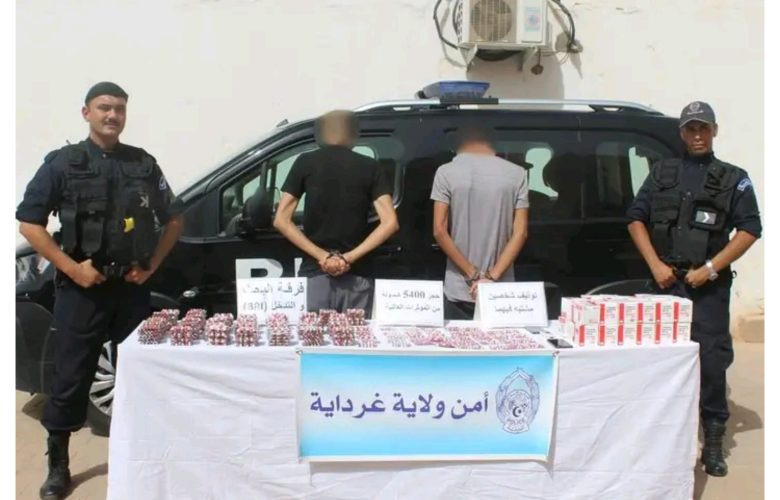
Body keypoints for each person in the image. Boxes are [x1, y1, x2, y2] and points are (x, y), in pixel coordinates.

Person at [16, 82, 184, 500]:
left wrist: (151, 266)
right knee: (69, 377)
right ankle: (58, 465)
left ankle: (143, 456)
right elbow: (30, 224)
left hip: (130, 290)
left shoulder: (143, 164)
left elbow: (174, 219)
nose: (113, 115)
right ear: (86, 113)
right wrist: (72, 268)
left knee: (140, 374)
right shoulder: (63, 164)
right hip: (82, 292)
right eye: (104, 107)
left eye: (120, 109)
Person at [626, 101, 761, 477]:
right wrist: (655, 264)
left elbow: (750, 229)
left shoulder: (733, 178)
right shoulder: (661, 172)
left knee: (712, 363)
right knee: (660, 360)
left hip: (707, 289)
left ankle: (713, 442)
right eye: (690, 128)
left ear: (714, 131)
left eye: (703, 128)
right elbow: (635, 219)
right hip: (665, 283)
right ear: (682, 133)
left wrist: (711, 268)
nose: (697, 135)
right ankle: (660, 438)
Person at [273, 110, 399, 313]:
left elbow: (281, 219)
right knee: (354, 332)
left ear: (321, 134)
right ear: (353, 134)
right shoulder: (370, 166)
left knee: (314, 332)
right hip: (357, 273)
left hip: (315, 273)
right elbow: (390, 223)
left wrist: (323, 257)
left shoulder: (305, 162)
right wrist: (348, 258)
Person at [430, 124, 530, 319]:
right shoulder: (517, 174)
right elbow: (520, 233)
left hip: (459, 287)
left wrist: (474, 274)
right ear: (493, 141)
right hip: (501, 290)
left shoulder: (445, 172)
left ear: (461, 141)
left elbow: (439, 230)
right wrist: (491, 277)